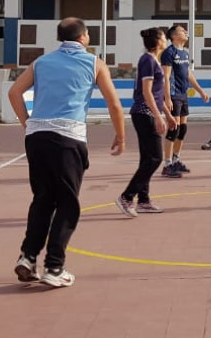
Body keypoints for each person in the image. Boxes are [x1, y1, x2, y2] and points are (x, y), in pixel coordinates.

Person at [9, 17, 126, 288]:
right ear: (84, 36)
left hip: (37, 136)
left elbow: (15, 92)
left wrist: (26, 121)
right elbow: (114, 104)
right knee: (67, 202)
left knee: (42, 199)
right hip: (68, 137)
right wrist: (120, 136)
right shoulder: (93, 63)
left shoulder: (41, 62)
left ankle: (28, 256)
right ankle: (54, 266)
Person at [116, 27, 175, 217]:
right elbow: (147, 92)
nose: (166, 39)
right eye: (164, 37)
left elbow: (157, 96)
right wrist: (158, 116)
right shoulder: (148, 60)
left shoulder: (154, 61)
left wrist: (167, 113)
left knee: (147, 158)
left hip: (149, 112)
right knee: (155, 158)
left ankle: (143, 200)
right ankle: (127, 196)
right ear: (158, 41)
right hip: (144, 114)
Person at [160, 23, 208, 178]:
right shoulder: (169, 52)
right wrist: (167, 98)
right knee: (173, 129)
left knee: (183, 129)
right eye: (182, 31)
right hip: (173, 95)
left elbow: (188, 74)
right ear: (174, 35)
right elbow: (166, 77)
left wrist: (200, 91)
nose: (186, 33)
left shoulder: (185, 53)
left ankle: (176, 160)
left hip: (183, 94)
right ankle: (167, 164)